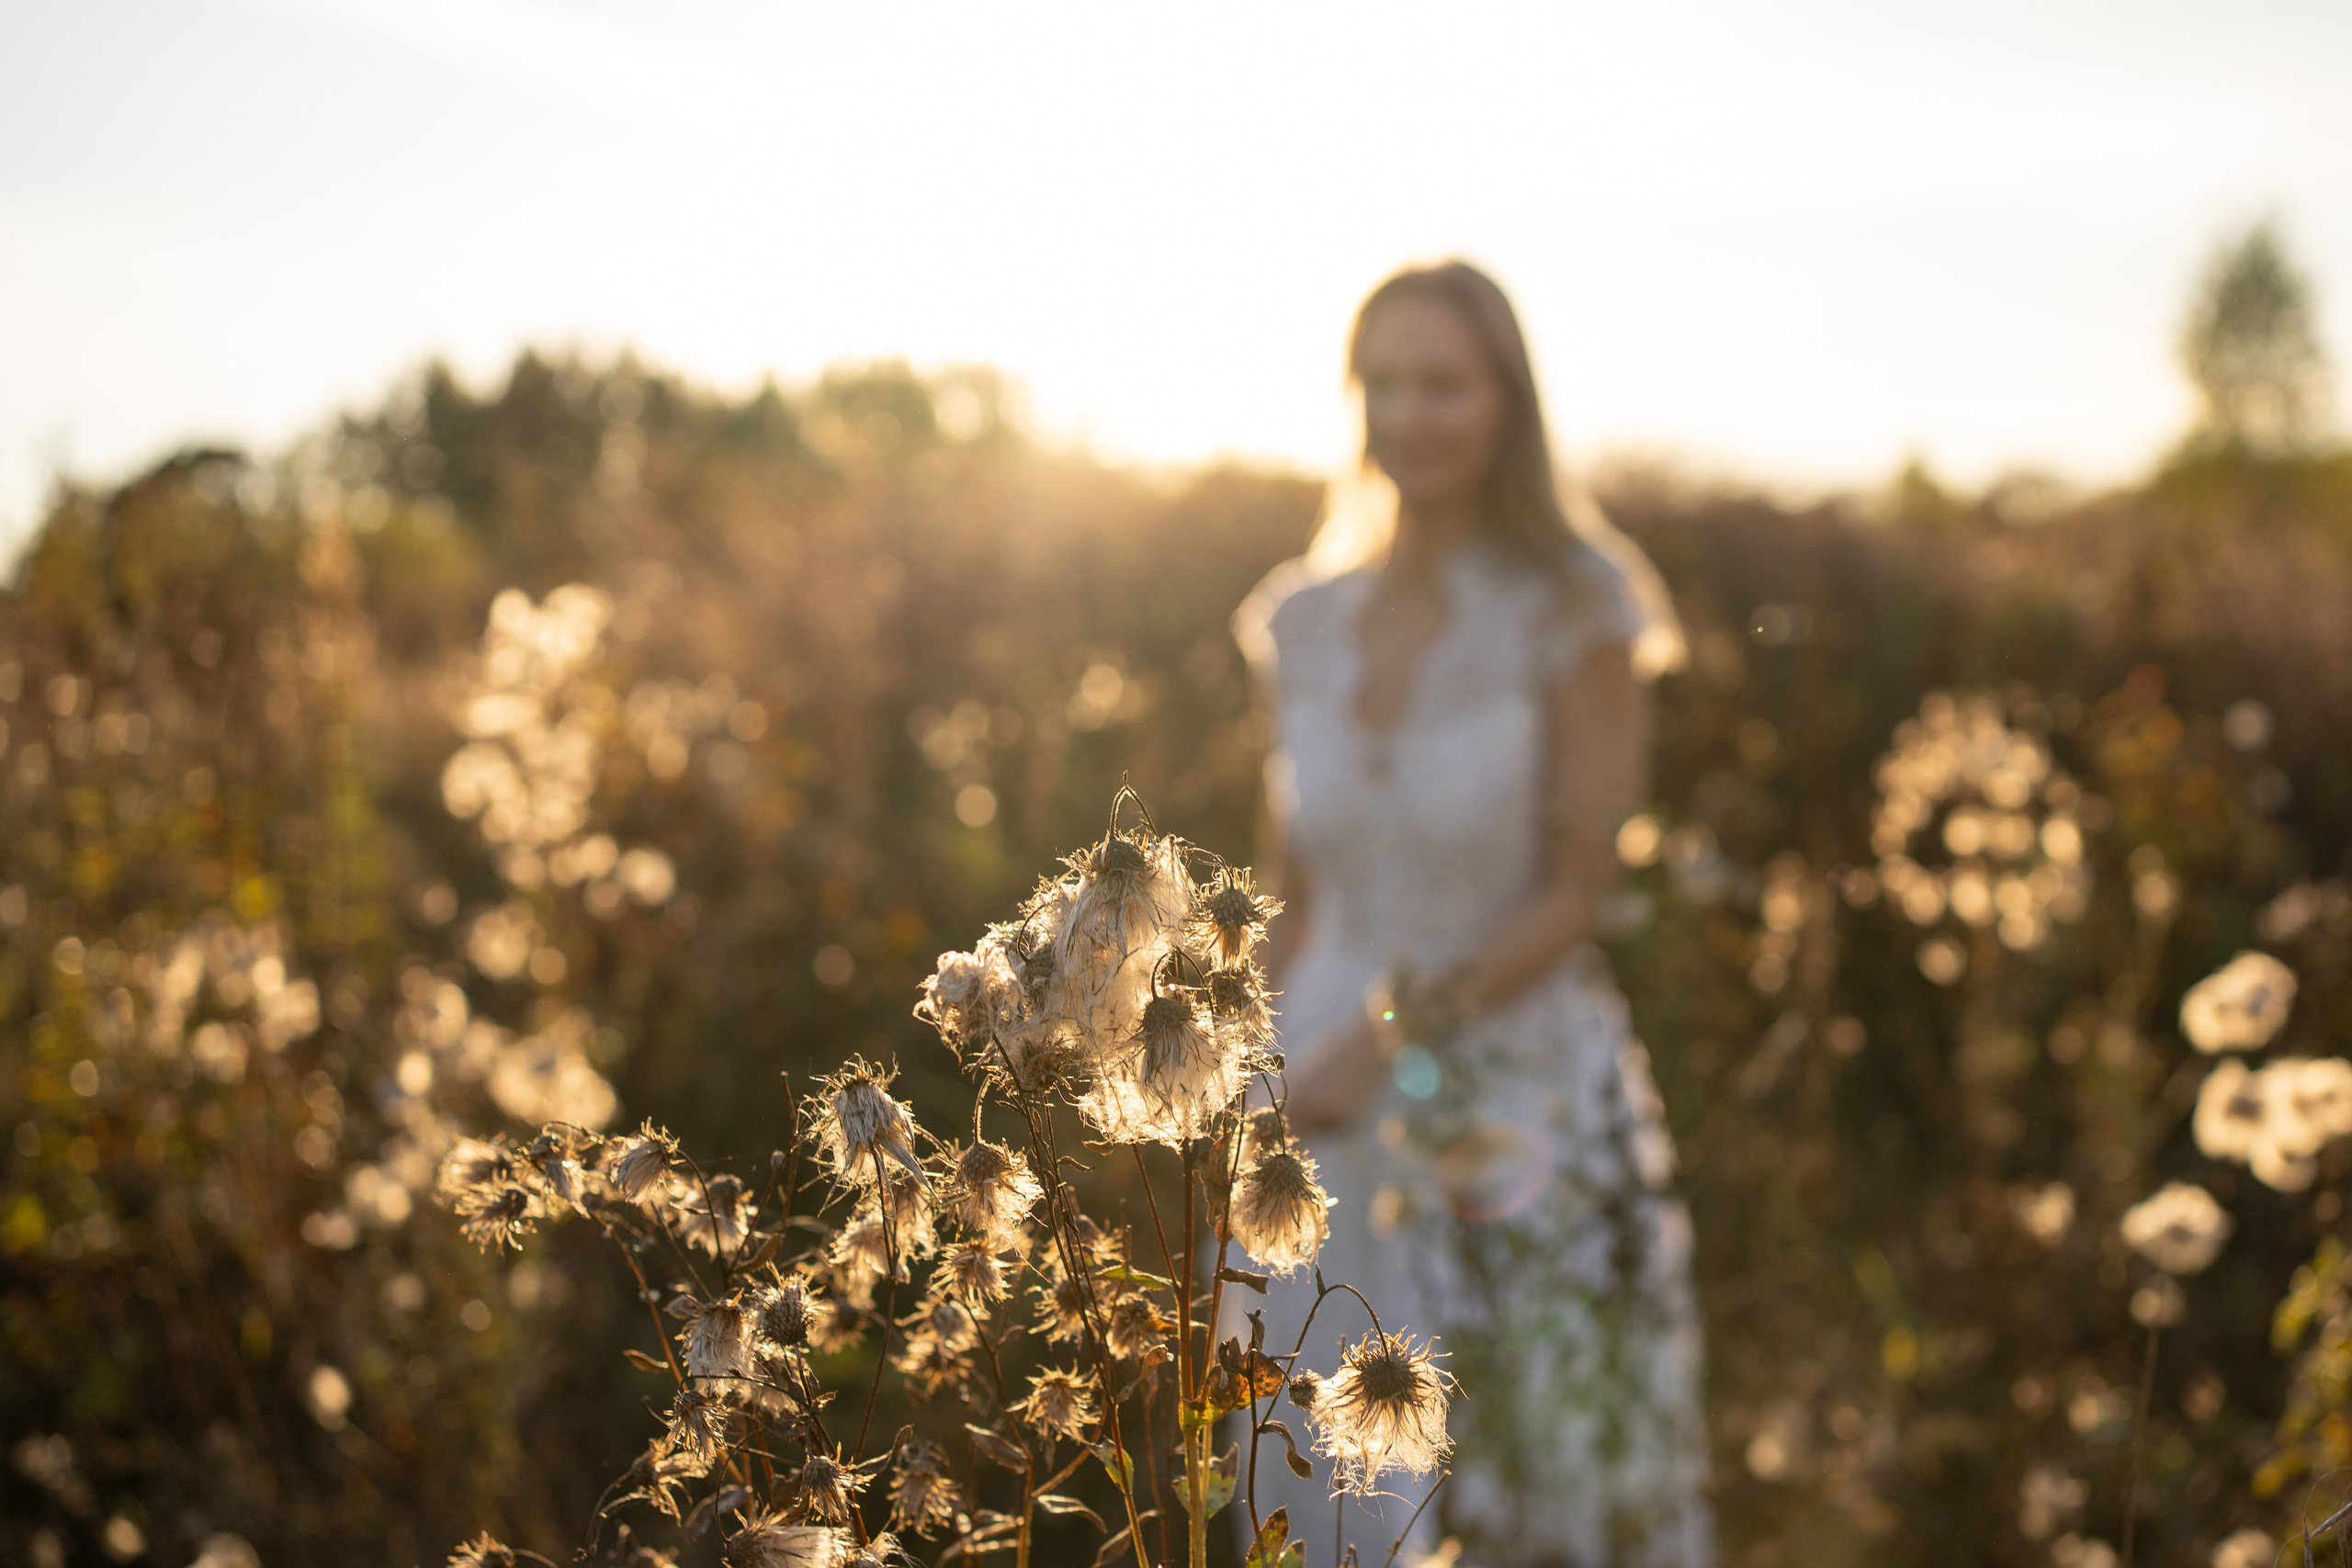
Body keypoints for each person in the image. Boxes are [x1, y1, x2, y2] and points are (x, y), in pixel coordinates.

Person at [1229, 261, 1714, 1567]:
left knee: (1534, 1475)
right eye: (1382, 382)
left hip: (1511, 1088)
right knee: (1329, 1485)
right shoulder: (1307, 619)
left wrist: (1377, 1049)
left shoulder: (1578, 607)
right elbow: (1296, 893)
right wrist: (1234, 1079)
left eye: (1442, 382)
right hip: (1316, 1095)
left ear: (1507, 399)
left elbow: (1577, 893)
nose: (1408, 413)